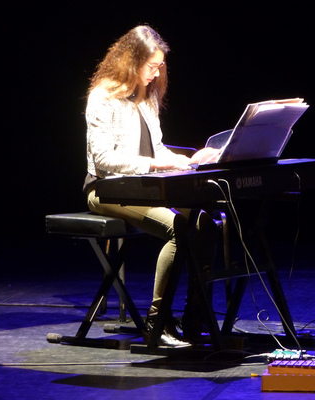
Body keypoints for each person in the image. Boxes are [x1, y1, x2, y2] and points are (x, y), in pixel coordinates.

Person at [83, 25, 216, 347]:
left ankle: (195, 317)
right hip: (106, 189)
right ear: (131, 62)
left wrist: (188, 160)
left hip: (143, 187)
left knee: (205, 224)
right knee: (178, 227)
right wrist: (158, 164)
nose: (156, 74)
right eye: (151, 66)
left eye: (160, 67)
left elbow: (157, 149)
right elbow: (104, 159)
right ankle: (158, 323)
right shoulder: (103, 97)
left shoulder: (148, 97)